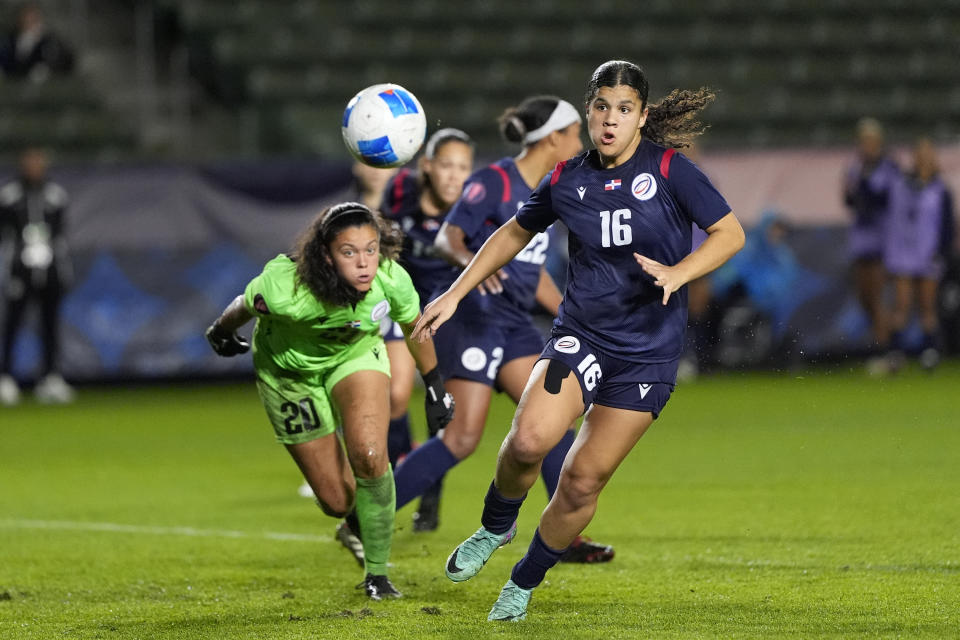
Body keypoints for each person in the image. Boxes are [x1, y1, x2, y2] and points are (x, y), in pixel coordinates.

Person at [413, 60, 744, 621]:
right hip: (583, 336)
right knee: (527, 441)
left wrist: (679, 272)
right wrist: (454, 292)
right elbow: (513, 232)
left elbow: (729, 233)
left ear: (642, 116)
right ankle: (496, 525)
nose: (610, 119)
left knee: (582, 480)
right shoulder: (568, 178)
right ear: (588, 111)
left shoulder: (669, 169)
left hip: (647, 356)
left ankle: (523, 582)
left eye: (623, 109)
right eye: (601, 107)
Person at [392, 95, 615, 563]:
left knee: (553, 423)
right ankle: (366, 515)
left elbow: (534, 274)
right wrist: (470, 265)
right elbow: (447, 237)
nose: (579, 141)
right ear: (553, 137)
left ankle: (563, 536)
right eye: (573, 132)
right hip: (475, 318)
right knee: (461, 439)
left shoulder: (551, 189)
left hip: (513, 326)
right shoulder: (494, 180)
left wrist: (576, 314)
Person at [205, 202, 454, 600]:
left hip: (354, 356)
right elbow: (245, 303)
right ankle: (352, 522)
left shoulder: (391, 279)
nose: (364, 264)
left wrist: (435, 383)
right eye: (349, 252)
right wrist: (220, 329)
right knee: (336, 499)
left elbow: (413, 327)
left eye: (371, 249)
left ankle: (377, 573)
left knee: (372, 456)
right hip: (287, 373)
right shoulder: (286, 288)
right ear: (326, 255)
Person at [379, 127, 475, 532]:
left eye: (463, 167)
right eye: (447, 166)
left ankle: (431, 491)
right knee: (396, 393)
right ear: (427, 167)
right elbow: (382, 242)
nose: (455, 176)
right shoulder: (400, 192)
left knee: (442, 404)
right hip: (404, 301)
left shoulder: (475, 206)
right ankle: (404, 463)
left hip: (448, 307)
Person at [0, 147, 74, 405]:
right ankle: (6, 377)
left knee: (50, 325)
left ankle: (50, 377)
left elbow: (62, 238)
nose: (34, 166)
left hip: (50, 269)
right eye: (29, 161)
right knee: (13, 323)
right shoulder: (9, 196)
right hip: (20, 269)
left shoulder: (55, 195)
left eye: (38, 161)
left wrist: (64, 271)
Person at [883, 138, 955, 371]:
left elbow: (947, 225)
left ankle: (929, 352)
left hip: (928, 253)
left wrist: (942, 251)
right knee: (902, 304)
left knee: (926, 304)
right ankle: (895, 353)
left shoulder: (941, 189)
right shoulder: (902, 183)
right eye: (919, 154)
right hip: (903, 252)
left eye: (928, 154)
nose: (923, 158)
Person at [842, 117, 899, 360]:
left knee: (876, 296)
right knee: (864, 297)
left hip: (881, 238)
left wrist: (862, 188)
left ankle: (885, 350)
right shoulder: (854, 167)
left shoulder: (889, 168)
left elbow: (883, 199)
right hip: (861, 239)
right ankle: (884, 343)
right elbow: (850, 200)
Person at [0, 3, 74, 82]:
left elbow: (63, 62)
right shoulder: (11, 39)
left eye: (33, 18)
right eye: (26, 17)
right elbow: (7, 58)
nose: (28, 21)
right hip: (13, 81)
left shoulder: (48, 41)